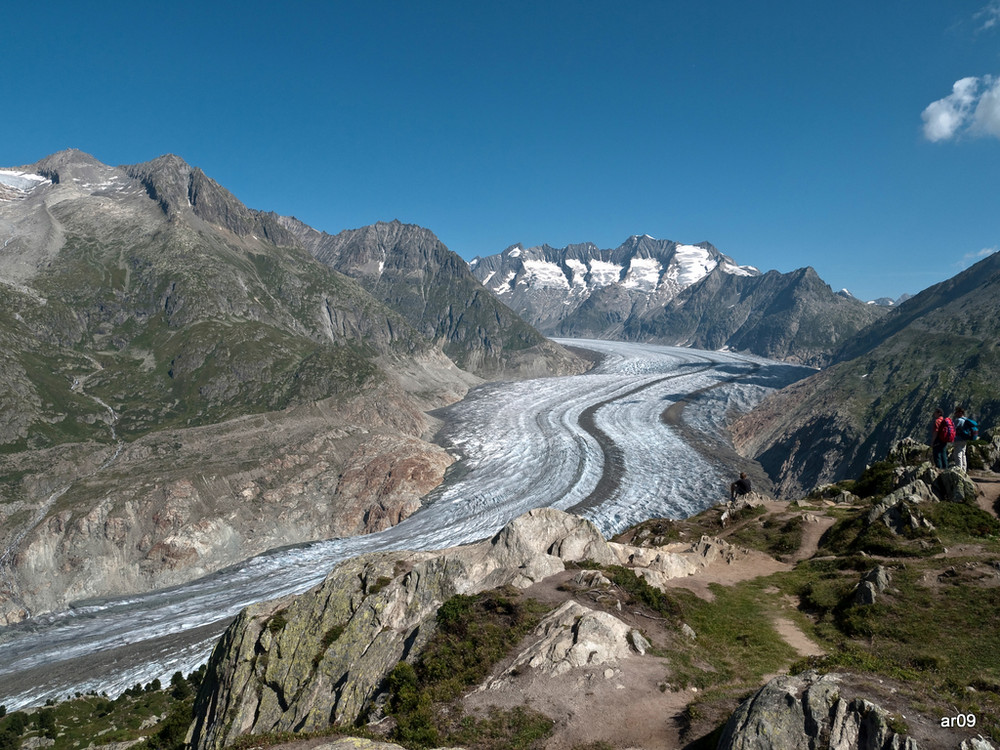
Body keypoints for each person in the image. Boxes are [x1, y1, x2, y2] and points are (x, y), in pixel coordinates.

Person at [952, 406, 970, 472]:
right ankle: (964, 469)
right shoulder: (966, 420)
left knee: (958, 454)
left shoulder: (958, 420)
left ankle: (959, 469)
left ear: (960, 413)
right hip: (964, 439)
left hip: (958, 439)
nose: (955, 414)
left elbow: (953, 428)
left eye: (956, 412)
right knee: (963, 454)